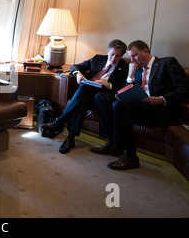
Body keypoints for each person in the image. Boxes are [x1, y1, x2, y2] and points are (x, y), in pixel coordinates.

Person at [93, 40, 189, 170]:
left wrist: (161, 99)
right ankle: (114, 144)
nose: (132, 59)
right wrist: (130, 76)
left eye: (135, 55)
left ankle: (131, 157)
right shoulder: (136, 70)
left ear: (145, 51)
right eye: (131, 57)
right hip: (140, 106)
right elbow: (127, 90)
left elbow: (184, 89)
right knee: (101, 97)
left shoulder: (167, 63)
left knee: (119, 106)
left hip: (159, 109)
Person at [41, 39, 129, 154]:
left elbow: (123, 90)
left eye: (117, 56)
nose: (113, 59)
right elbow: (75, 66)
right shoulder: (98, 59)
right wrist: (78, 74)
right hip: (87, 95)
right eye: (112, 54)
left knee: (84, 90)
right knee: (83, 99)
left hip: (102, 97)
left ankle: (60, 121)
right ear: (108, 51)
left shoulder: (124, 67)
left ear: (121, 56)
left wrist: (108, 84)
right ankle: (70, 138)